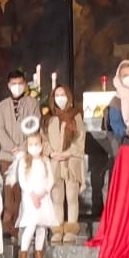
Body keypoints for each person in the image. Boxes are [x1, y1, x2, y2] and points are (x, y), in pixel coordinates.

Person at [0, 68, 41, 244]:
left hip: (26, 155)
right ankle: (7, 225)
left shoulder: (32, 103)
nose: (17, 87)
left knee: (23, 191)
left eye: (20, 83)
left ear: (25, 84)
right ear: (8, 85)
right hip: (7, 155)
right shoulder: (2, 106)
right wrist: (12, 147)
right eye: (14, 84)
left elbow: (34, 126)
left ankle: (22, 225)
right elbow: (0, 130)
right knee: (9, 192)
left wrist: (23, 148)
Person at [9, 117, 58, 258]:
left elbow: (50, 178)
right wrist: (33, 195)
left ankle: (38, 253)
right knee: (31, 224)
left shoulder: (45, 160)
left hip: (43, 197)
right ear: (27, 145)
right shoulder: (24, 161)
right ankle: (23, 253)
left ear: (42, 144)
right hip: (30, 198)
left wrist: (43, 192)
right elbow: (23, 181)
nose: (34, 147)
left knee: (42, 226)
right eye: (31, 144)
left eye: (37, 144)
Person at [45, 84, 86, 242]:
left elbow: (80, 138)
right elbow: (44, 139)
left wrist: (68, 152)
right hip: (55, 162)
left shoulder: (76, 116)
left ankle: (71, 228)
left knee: (71, 195)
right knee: (57, 196)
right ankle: (57, 228)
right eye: (57, 95)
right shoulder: (49, 118)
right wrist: (51, 152)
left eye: (63, 94)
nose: (60, 98)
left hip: (71, 161)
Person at [105, 60, 129, 155]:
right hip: (125, 146)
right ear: (119, 78)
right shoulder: (116, 101)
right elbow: (116, 124)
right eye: (125, 75)